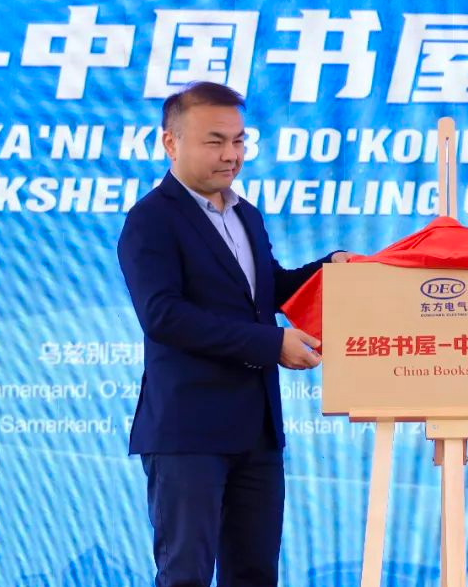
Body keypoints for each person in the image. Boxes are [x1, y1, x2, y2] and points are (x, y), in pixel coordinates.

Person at [117, 81, 351, 587]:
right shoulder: (151, 220)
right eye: (215, 141)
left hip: (256, 432)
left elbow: (265, 290)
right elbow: (164, 316)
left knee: (254, 574)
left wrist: (331, 270)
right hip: (189, 433)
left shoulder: (245, 214)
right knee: (186, 576)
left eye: (239, 140)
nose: (231, 154)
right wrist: (272, 344)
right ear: (171, 142)